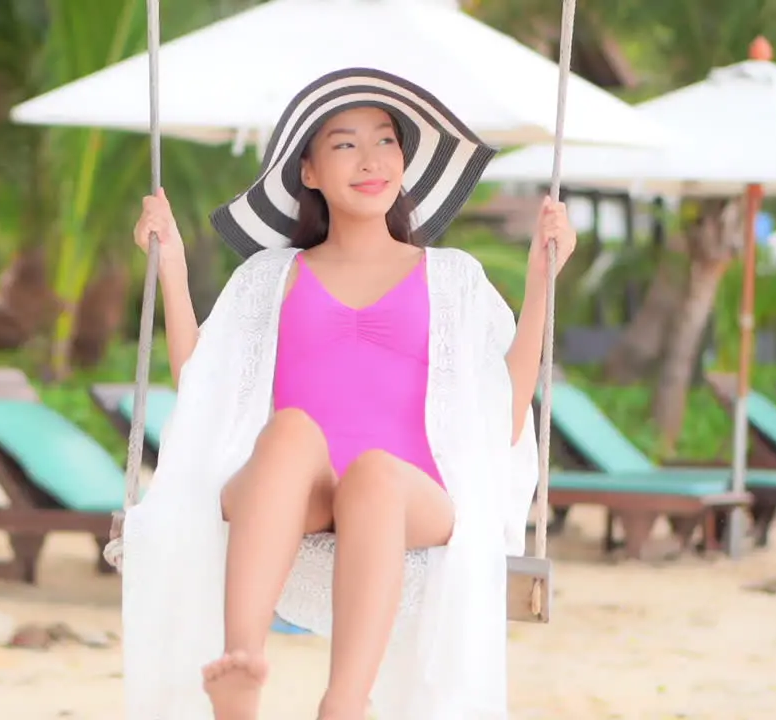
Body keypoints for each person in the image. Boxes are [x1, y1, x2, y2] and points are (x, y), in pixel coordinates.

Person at [120, 68, 576, 720]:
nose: (371, 160)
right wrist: (171, 269)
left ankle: (344, 703)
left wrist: (540, 282)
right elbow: (202, 392)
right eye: (344, 144)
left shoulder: (453, 278)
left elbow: (501, 417)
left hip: (408, 497)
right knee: (290, 430)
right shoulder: (270, 275)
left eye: (385, 141)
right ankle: (240, 665)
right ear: (308, 170)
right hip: (290, 493)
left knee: (374, 475)